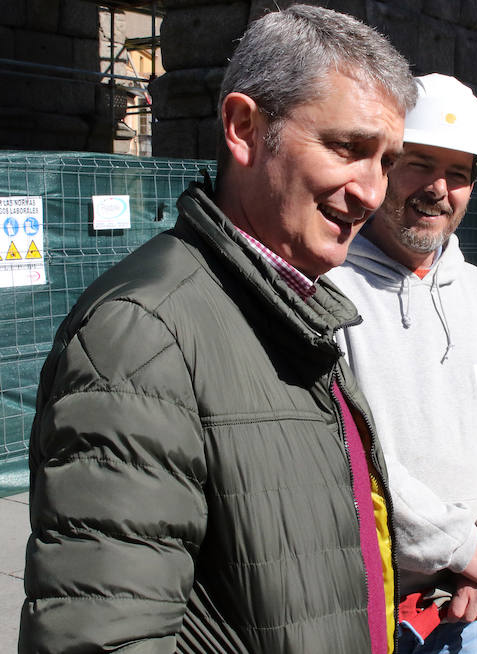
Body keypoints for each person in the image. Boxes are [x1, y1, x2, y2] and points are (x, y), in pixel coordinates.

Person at [20, 6, 416, 653]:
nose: (372, 190)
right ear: (244, 128)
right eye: (348, 148)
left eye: (385, 159)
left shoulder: (295, 308)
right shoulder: (141, 337)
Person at [327, 73, 477, 654]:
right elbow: (342, 454)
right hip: (360, 607)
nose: (438, 189)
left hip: (461, 610)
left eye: (459, 174)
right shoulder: (327, 293)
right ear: (382, 165)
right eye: (420, 165)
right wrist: (464, 547)